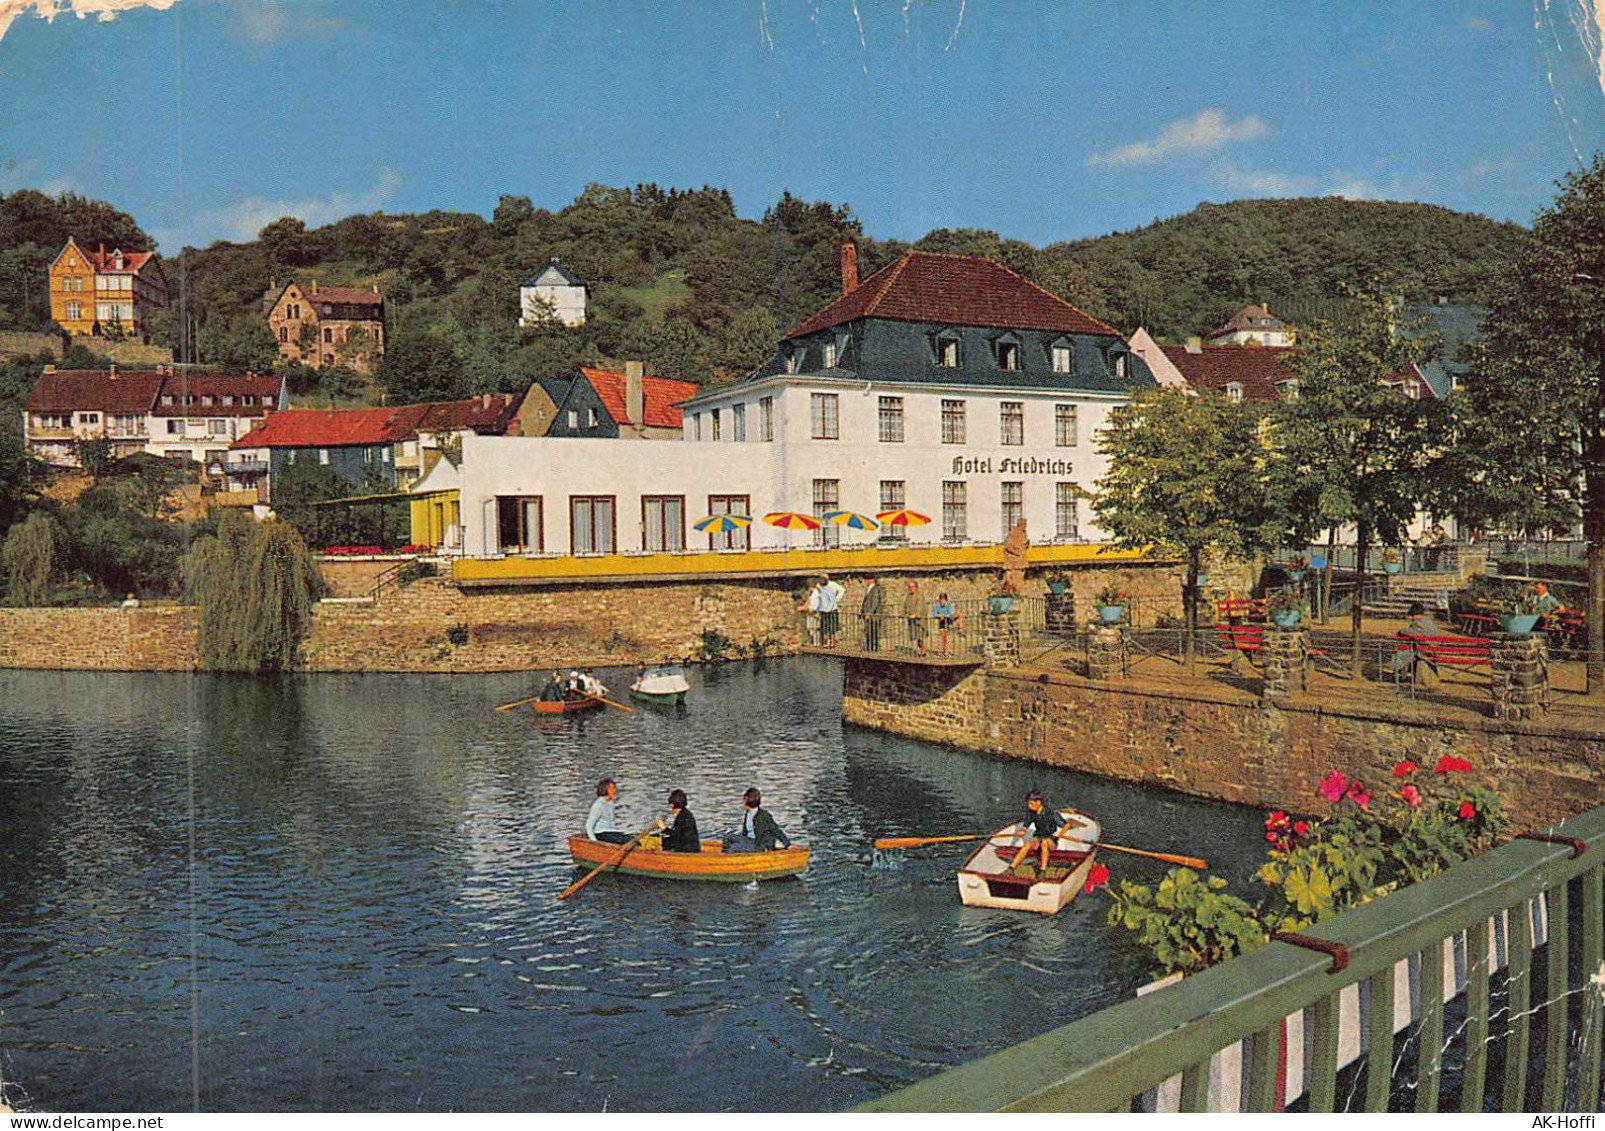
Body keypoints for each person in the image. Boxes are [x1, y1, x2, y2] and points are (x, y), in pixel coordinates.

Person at [1008, 790, 1064, 873]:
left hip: (1051, 840)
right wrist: (1023, 830)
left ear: (1038, 802)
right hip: (1038, 837)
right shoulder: (1031, 813)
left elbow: (1065, 825)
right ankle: (1012, 868)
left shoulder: (1052, 813)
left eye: (1031, 804)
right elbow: (1026, 824)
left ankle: (1043, 870)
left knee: (1044, 843)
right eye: (1029, 804)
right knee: (1027, 844)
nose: (1029, 806)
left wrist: (1060, 833)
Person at [723, 787, 792, 853]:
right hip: (749, 841)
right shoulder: (748, 813)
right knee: (727, 838)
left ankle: (727, 858)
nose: (742, 801)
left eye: (744, 799)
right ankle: (725, 856)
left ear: (747, 800)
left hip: (760, 845)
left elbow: (776, 830)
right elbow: (745, 832)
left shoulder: (764, 815)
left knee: (733, 848)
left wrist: (788, 844)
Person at [1391, 601, 1444, 683]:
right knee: (1408, 651)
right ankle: (1402, 671)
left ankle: (1399, 672)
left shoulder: (1418, 624)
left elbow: (1412, 633)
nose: (1412, 618)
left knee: (1403, 652)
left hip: (1425, 651)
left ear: (1417, 614)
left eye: (1413, 615)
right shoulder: (1429, 622)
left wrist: (1401, 631)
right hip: (1432, 649)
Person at [585, 779, 632, 844]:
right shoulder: (598, 805)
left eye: (614, 788)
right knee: (625, 840)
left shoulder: (610, 803)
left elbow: (611, 822)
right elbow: (589, 825)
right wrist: (594, 842)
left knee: (632, 839)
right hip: (601, 834)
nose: (614, 791)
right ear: (605, 789)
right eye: (611, 789)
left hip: (610, 833)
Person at [902, 579, 927, 657]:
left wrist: (916, 614)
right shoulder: (908, 596)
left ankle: (923, 651)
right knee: (916, 636)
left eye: (912, 587)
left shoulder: (919, 595)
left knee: (920, 636)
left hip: (919, 620)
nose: (911, 588)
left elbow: (920, 606)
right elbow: (905, 605)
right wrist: (903, 612)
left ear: (916, 587)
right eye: (909, 587)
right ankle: (920, 650)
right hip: (912, 619)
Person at [818, 574, 844, 647]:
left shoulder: (833, 584)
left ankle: (832, 642)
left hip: (832, 608)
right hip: (824, 608)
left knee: (832, 627)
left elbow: (842, 590)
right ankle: (827, 642)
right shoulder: (820, 585)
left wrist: (836, 599)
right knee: (825, 626)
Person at [859, 576, 884, 651]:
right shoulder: (869, 589)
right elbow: (865, 602)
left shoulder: (875, 589)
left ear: (871, 580)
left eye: (867, 579)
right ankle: (869, 647)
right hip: (867, 615)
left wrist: (869, 613)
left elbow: (875, 602)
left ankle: (874, 648)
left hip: (873, 616)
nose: (865, 581)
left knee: (873, 631)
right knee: (868, 631)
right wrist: (862, 611)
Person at [798, 579, 822, 645]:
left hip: (814, 614)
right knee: (812, 629)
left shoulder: (816, 594)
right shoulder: (812, 594)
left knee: (815, 630)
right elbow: (809, 601)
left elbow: (814, 606)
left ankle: (817, 644)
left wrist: (805, 608)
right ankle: (814, 643)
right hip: (811, 614)